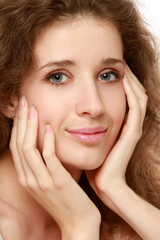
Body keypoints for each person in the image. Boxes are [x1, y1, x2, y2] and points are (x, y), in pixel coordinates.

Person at [0, 0, 160, 239]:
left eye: (107, 75)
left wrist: (116, 190)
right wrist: (80, 227)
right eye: (57, 77)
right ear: (8, 97)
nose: (94, 106)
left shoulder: (122, 216)